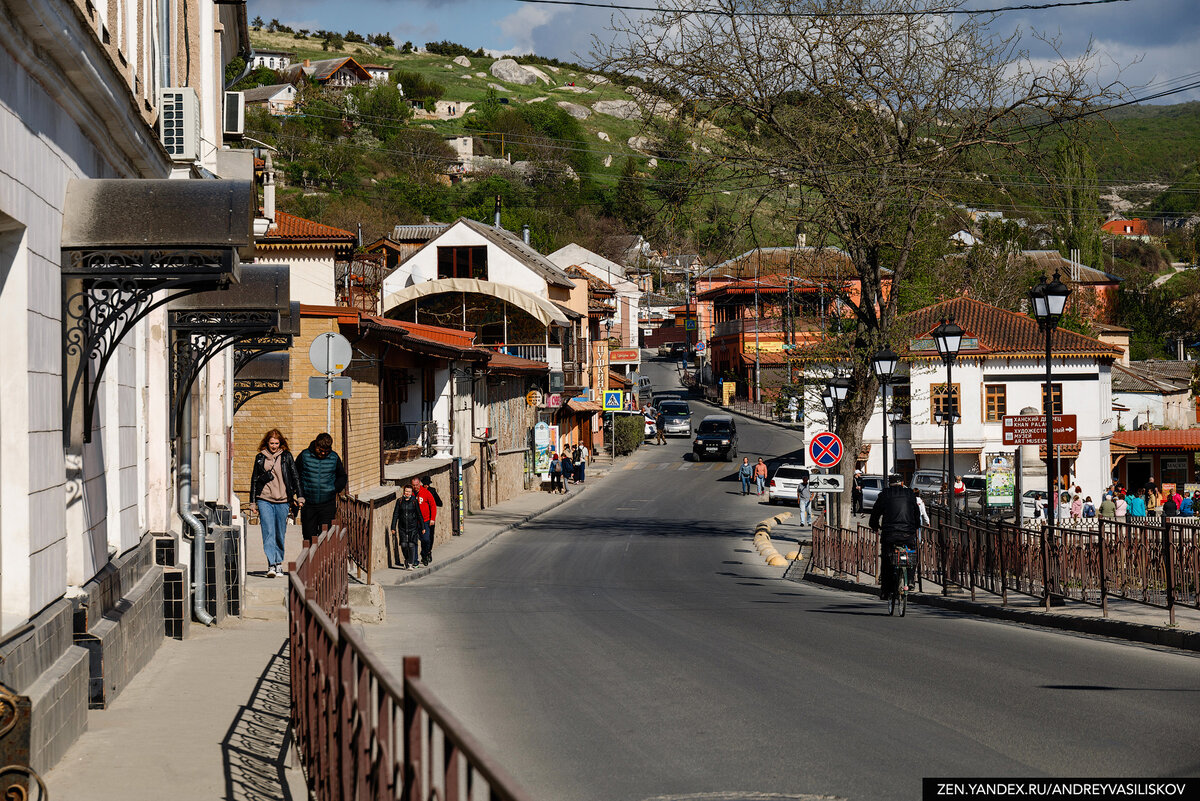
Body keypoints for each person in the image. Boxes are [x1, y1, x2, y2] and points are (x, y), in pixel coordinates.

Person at [249, 428, 302, 578]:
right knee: (268, 532)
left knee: (280, 532)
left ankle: (279, 563)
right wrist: (253, 502)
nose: (274, 446)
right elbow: (254, 480)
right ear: (267, 443)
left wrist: (300, 496)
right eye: (271, 443)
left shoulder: (286, 457)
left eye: (276, 443)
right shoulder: (260, 458)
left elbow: (295, 476)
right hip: (264, 499)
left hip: (283, 500)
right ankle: (271, 564)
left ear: (281, 443)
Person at [869, 475, 920, 599]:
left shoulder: (884, 494)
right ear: (902, 483)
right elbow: (916, 512)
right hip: (908, 533)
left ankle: (885, 590)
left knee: (886, 559)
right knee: (912, 554)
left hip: (889, 534)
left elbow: (876, 512)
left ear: (889, 483)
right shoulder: (910, 493)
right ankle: (911, 580)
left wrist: (874, 525)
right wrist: (916, 526)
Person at [295, 433, 347, 544]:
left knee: (325, 537)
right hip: (308, 504)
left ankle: (324, 561)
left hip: (327, 504)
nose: (323, 453)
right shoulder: (304, 456)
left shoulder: (334, 458)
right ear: (315, 445)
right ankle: (310, 561)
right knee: (309, 538)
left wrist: (333, 488)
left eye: (326, 451)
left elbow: (342, 477)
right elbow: (295, 476)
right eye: (320, 450)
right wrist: (299, 493)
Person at [390, 485, 423, 569]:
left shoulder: (414, 501)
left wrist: (423, 527)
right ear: (404, 492)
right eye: (406, 491)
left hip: (413, 526)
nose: (407, 493)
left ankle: (411, 564)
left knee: (411, 544)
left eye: (409, 491)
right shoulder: (400, 501)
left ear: (411, 493)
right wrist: (393, 527)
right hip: (402, 526)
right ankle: (407, 559)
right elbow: (395, 514)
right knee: (404, 545)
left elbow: (419, 514)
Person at [411, 476, 438, 566]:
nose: (415, 487)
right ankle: (415, 560)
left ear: (419, 484)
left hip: (426, 521)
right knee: (414, 540)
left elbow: (433, 506)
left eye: (417, 485)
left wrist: (432, 519)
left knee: (426, 539)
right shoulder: (411, 494)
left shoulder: (426, 493)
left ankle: (425, 554)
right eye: (413, 485)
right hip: (414, 522)